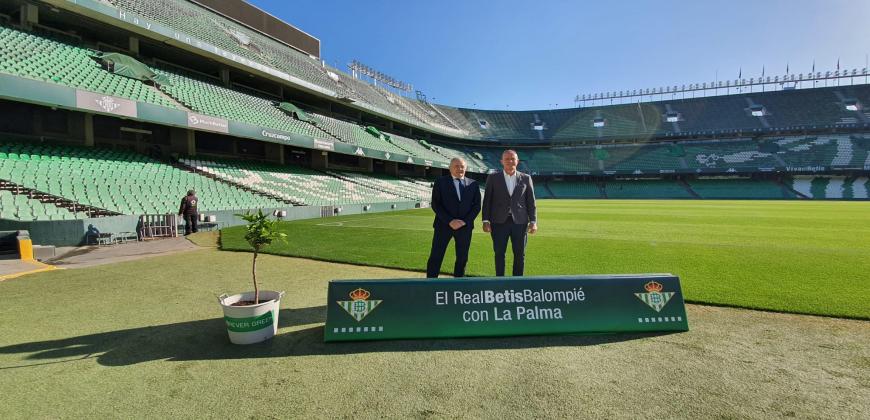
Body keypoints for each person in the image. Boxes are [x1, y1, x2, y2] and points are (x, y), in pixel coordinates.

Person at [482, 149, 538, 276]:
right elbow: (487, 201)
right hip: (498, 222)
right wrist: (485, 220)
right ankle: (499, 279)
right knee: (499, 253)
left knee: (519, 253)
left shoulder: (526, 178)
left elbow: (531, 202)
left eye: (513, 159)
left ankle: (517, 281)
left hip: (520, 222)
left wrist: (533, 221)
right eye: (507, 159)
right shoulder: (493, 178)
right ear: (502, 161)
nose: (510, 161)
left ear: (517, 161)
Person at [426, 157, 481, 278]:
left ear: (465, 168)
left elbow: (477, 206)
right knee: (436, 256)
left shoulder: (473, 184)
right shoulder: (440, 182)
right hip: (443, 226)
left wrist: (464, 222)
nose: (460, 169)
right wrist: (450, 221)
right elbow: (436, 204)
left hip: (465, 227)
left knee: (462, 258)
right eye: (456, 166)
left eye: (462, 166)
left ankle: (458, 283)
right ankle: (430, 283)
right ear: (450, 168)